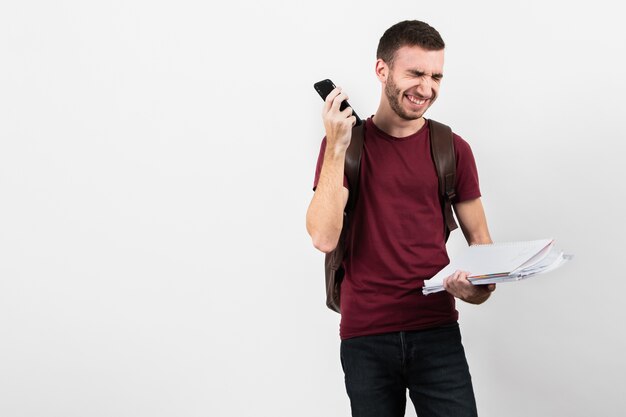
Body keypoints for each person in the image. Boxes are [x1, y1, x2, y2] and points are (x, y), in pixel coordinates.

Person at [306, 20, 496, 417]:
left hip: (437, 332)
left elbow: (483, 250)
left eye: (435, 76)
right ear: (382, 71)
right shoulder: (344, 145)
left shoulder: (452, 149)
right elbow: (324, 237)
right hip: (366, 338)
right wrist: (338, 148)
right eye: (415, 73)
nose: (426, 88)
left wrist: (475, 289)